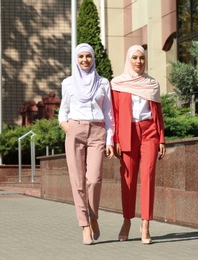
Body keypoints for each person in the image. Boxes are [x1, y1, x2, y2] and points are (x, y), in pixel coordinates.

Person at [58, 43, 115, 245]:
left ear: (93, 58)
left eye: (88, 56)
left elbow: (109, 114)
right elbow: (62, 112)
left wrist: (110, 139)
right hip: (75, 131)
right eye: (81, 56)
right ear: (76, 59)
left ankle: (94, 217)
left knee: (94, 179)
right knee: (77, 181)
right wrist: (68, 128)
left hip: (98, 132)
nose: (84, 60)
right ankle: (84, 225)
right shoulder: (68, 83)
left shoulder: (103, 83)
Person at [111, 45, 166, 244]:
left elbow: (158, 113)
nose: (138, 61)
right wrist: (115, 139)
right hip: (127, 132)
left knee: (148, 175)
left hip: (149, 131)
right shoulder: (117, 83)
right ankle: (127, 221)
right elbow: (114, 114)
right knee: (128, 178)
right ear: (128, 59)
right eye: (134, 57)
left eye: (142, 58)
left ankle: (146, 225)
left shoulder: (152, 84)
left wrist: (161, 138)